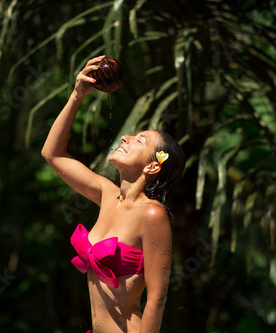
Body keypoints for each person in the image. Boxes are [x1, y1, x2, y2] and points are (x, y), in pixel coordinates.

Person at [41, 55, 185, 333]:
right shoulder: (107, 194)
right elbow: (53, 154)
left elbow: (158, 297)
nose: (125, 137)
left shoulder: (152, 214)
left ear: (153, 165)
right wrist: (76, 95)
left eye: (139, 140)